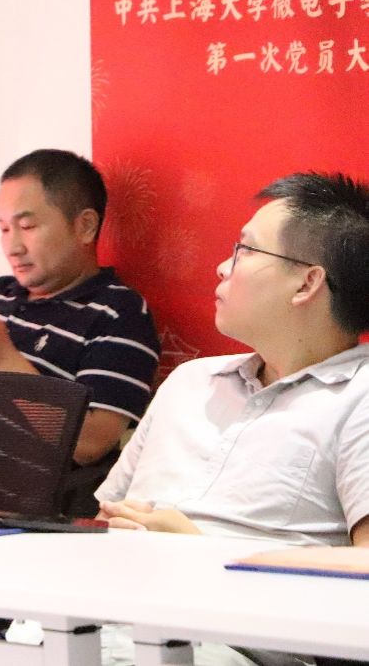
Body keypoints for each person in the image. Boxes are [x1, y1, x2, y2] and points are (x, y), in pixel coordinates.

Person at [95, 173, 369, 666]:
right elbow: (102, 520)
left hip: (232, 644)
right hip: (98, 616)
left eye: (244, 250)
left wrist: (203, 557)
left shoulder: (359, 395)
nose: (222, 267)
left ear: (307, 282)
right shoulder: (189, 381)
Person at [0, 149, 160, 467]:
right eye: (4, 229)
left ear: (85, 226)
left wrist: (2, 361)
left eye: (27, 227)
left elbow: (90, 443)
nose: (12, 247)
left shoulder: (118, 313)